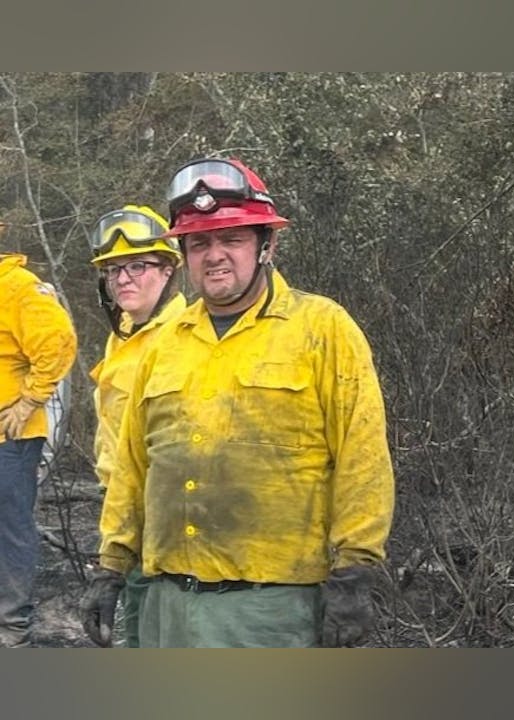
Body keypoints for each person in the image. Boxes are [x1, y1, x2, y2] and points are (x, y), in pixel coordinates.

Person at [80, 158, 395, 648]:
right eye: (200, 242)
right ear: (183, 253)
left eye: (232, 239)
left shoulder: (322, 329)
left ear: (267, 244)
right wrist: (110, 567)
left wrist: (355, 570)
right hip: (167, 604)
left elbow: (363, 458)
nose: (215, 255)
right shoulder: (164, 344)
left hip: (272, 609)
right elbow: (132, 469)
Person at [87, 204, 185, 647]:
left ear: (168, 270)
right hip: (123, 513)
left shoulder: (179, 338)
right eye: (113, 270)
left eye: (137, 266)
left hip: (161, 523)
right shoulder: (125, 333)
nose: (123, 279)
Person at [0, 220, 77, 647]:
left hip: (9, 436)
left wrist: (31, 400)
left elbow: (58, 340)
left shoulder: (16, 286)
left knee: (8, 528)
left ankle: (11, 627)